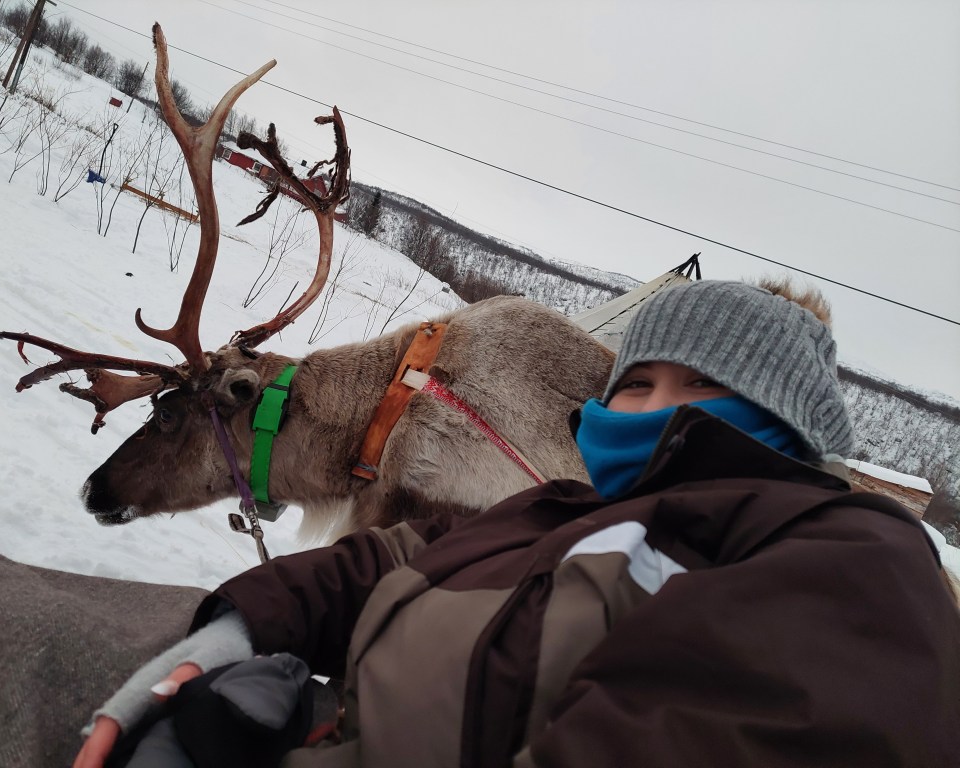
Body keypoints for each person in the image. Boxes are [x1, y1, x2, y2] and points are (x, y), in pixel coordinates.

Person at [75, 279, 960, 768]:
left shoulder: (857, 563)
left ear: (790, 434)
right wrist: (235, 631)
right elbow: (392, 559)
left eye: (703, 391)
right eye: (635, 385)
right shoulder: (566, 511)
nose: (654, 409)